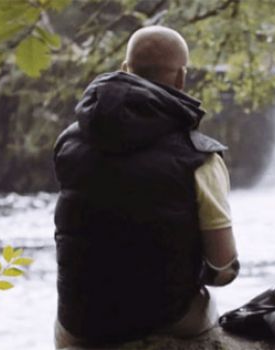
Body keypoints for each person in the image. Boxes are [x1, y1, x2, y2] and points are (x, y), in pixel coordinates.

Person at [52, 25, 239, 348]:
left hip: (81, 323)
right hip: (167, 317)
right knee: (208, 304)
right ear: (181, 77)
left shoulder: (68, 141)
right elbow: (223, 263)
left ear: (125, 69)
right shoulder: (199, 157)